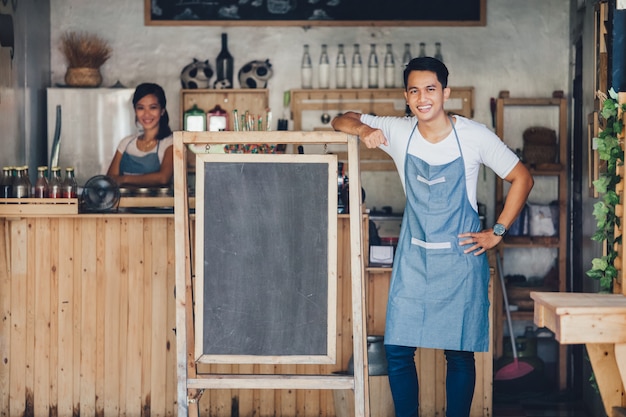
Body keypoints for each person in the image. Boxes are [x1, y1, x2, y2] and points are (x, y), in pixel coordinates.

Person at [331, 57, 534, 417]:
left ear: (445, 92)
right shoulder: (398, 129)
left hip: (460, 259)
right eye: (414, 91)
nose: (423, 98)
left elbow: (522, 178)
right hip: (415, 258)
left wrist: (496, 232)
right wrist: (364, 131)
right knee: (397, 350)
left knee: (458, 353)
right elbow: (341, 118)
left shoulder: (473, 135)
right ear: (406, 97)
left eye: (430, 89)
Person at [106, 82, 174, 186]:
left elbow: (163, 178)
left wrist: (124, 179)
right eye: (141, 108)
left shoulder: (171, 142)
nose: (146, 114)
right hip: (126, 202)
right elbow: (110, 180)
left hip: (159, 202)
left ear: (162, 111)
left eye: (153, 107)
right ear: (135, 111)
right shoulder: (126, 143)